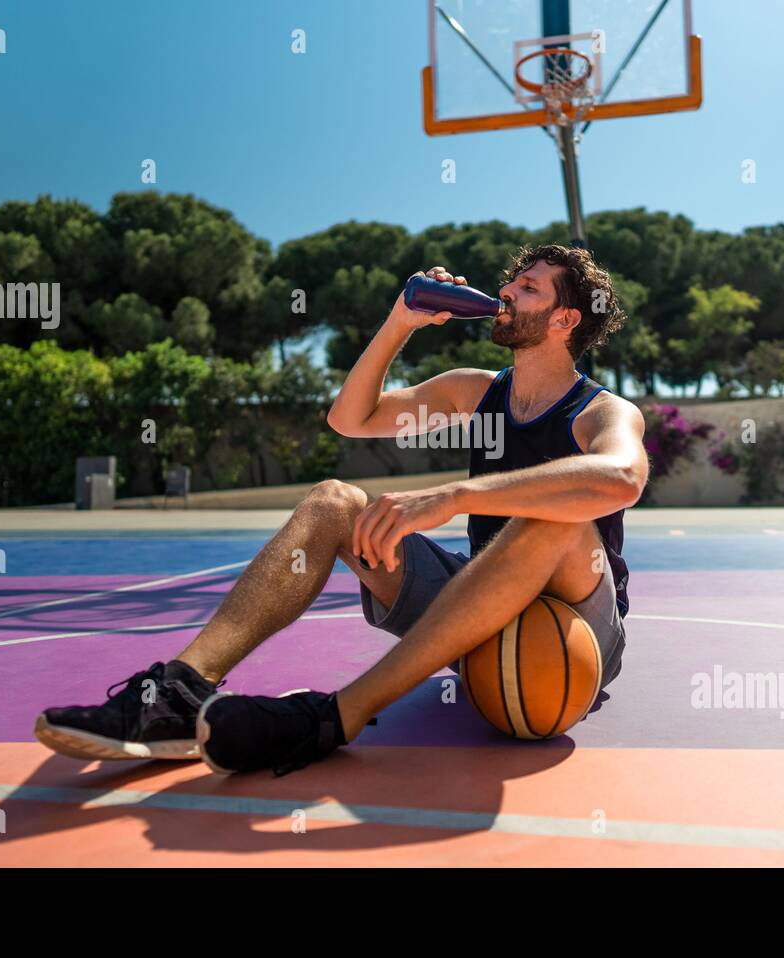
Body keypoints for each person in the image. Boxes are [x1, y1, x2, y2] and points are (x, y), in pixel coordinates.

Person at [34, 244, 647, 777]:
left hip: (575, 632)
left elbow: (620, 476)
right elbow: (350, 419)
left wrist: (455, 496)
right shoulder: (475, 390)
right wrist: (400, 323)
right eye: (511, 281)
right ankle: (178, 695)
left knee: (552, 517)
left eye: (528, 287)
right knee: (332, 502)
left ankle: (331, 718)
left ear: (565, 319)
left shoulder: (602, 411)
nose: (507, 291)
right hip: (479, 612)